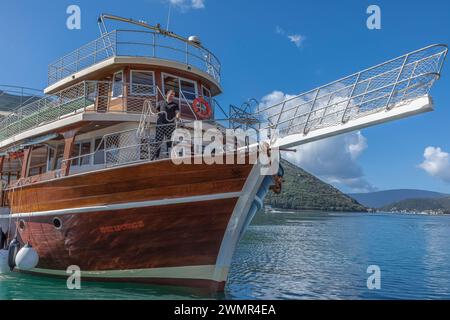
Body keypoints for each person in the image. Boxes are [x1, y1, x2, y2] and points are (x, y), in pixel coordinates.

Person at [152, 90, 180, 160]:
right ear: (167, 95)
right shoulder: (161, 103)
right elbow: (155, 111)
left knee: (170, 141)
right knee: (158, 140)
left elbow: (177, 112)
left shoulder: (175, 104)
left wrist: (177, 117)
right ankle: (156, 157)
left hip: (170, 125)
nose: (172, 96)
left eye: (173, 95)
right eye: (171, 94)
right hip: (160, 125)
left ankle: (170, 156)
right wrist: (150, 105)